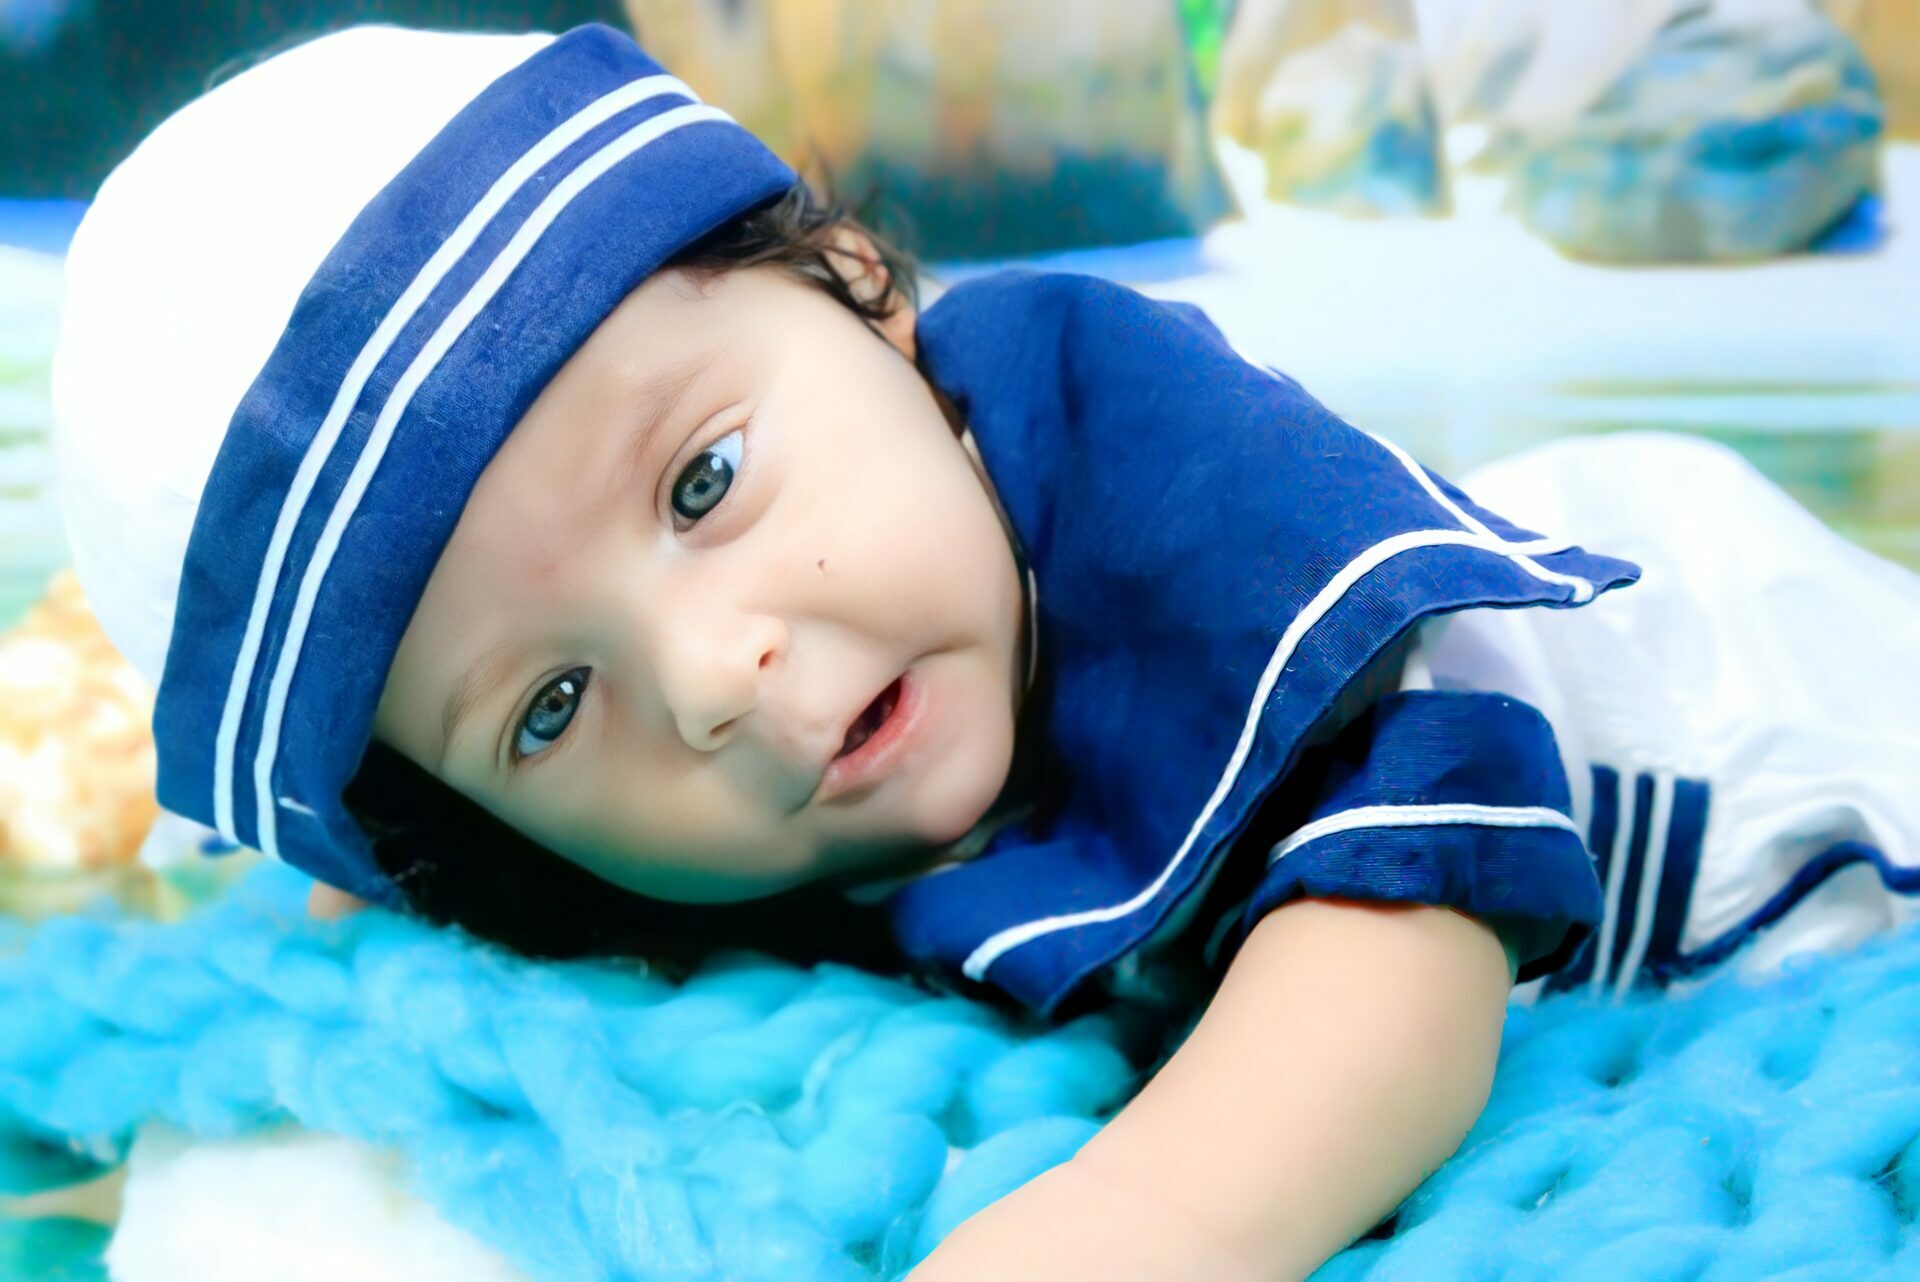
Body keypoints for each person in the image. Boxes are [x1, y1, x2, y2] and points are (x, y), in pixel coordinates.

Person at [52, 22, 1920, 1281]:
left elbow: (1408, 916)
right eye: (549, 704)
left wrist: (1150, 1216)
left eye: (704, 481)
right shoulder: (719, 765)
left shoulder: (1145, 453)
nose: (711, 674)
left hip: (1776, 742)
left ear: (868, 296)